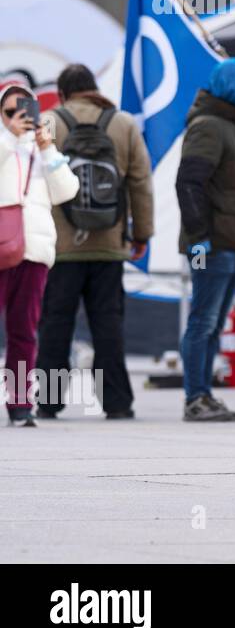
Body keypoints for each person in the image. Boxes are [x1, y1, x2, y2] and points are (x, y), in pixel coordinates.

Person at [35, 64, 152, 420]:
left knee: (56, 323)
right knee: (108, 324)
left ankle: (50, 402)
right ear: (93, 87)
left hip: (61, 247)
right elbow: (140, 183)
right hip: (109, 243)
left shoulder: (49, 122)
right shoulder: (123, 123)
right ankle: (116, 402)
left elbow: (35, 180)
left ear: (63, 90)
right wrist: (142, 233)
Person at [175, 58, 235, 422]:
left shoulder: (232, 126)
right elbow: (188, 183)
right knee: (202, 321)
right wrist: (200, 239)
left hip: (231, 244)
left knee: (212, 322)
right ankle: (195, 397)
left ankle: (204, 395)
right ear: (232, 86)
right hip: (209, 245)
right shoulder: (209, 126)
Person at [0, 83, 79, 426]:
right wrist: (10, 138)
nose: (18, 118)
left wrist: (47, 150)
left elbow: (67, 191)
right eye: (9, 112)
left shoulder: (41, 148)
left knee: (23, 331)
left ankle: (20, 404)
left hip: (34, 249)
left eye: (25, 111)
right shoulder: (4, 144)